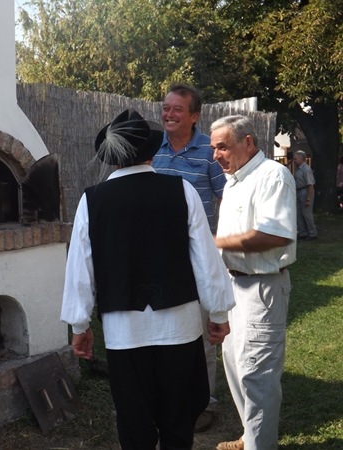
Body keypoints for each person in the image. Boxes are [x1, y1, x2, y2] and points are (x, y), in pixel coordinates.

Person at [61, 108, 235, 450]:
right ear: (152, 152)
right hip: (180, 328)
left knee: (134, 423)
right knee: (178, 420)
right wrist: (218, 312)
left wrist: (79, 325)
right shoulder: (182, 190)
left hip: (124, 333)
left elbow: (80, 270)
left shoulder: (91, 201)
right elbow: (206, 258)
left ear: (113, 157)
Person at [211, 115, 296, 450]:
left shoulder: (272, 175)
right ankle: (251, 438)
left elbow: (275, 235)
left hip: (262, 288)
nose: (216, 155)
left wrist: (215, 243)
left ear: (247, 142)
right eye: (214, 148)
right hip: (234, 286)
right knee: (235, 365)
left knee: (257, 374)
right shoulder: (233, 181)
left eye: (222, 147)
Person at [152, 82, 227, 432]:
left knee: (202, 332)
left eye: (177, 109)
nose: (168, 114)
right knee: (162, 330)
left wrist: (219, 244)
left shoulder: (209, 152)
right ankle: (167, 399)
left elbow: (228, 199)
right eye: (166, 108)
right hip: (158, 259)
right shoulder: (154, 151)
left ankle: (203, 402)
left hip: (197, 258)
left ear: (194, 116)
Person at [292, 150, 318, 241]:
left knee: (307, 214)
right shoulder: (299, 169)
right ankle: (302, 232)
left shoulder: (306, 169)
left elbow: (310, 184)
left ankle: (312, 233)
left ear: (301, 159)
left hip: (305, 191)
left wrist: (308, 198)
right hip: (299, 191)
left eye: (295, 159)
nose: (294, 161)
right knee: (299, 213)